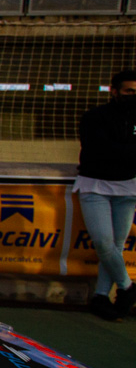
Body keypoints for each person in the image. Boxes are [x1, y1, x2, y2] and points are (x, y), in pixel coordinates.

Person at [75, 68, 136, 321]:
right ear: (114, 91)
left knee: (116, 246)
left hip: (128, 188)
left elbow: (113, 150)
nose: (133, 95)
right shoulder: (94, 117)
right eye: (129, 91)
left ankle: (101, 296)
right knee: (103, 242)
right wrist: (126, 152)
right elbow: (98, 148)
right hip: (94, 186)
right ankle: (128, 287)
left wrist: (121, 152)